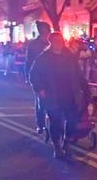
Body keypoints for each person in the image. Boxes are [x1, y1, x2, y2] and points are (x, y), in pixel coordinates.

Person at [29, 32, 89, 160]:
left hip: (69, 94)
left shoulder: (69, 56)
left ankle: (66, 143)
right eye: (56, 41)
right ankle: (56, 146)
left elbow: (78, 73)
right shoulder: (43, 58)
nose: (59, 43)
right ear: (51, 42)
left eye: (60, 40)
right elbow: (33, 74)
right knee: (55, 121)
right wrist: (40, 89)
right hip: (52, 94)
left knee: (72, 120)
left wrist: (86, 89)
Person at [26, 21, 53, 134]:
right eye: (47, 30)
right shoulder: (33, 45)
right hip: (38, 77)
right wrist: (28, 76)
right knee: (41, 101)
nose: (48, 32)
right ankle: (41, 124)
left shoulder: (52, 42)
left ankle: (54, 123)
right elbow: (29, 62)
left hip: (53, 77)